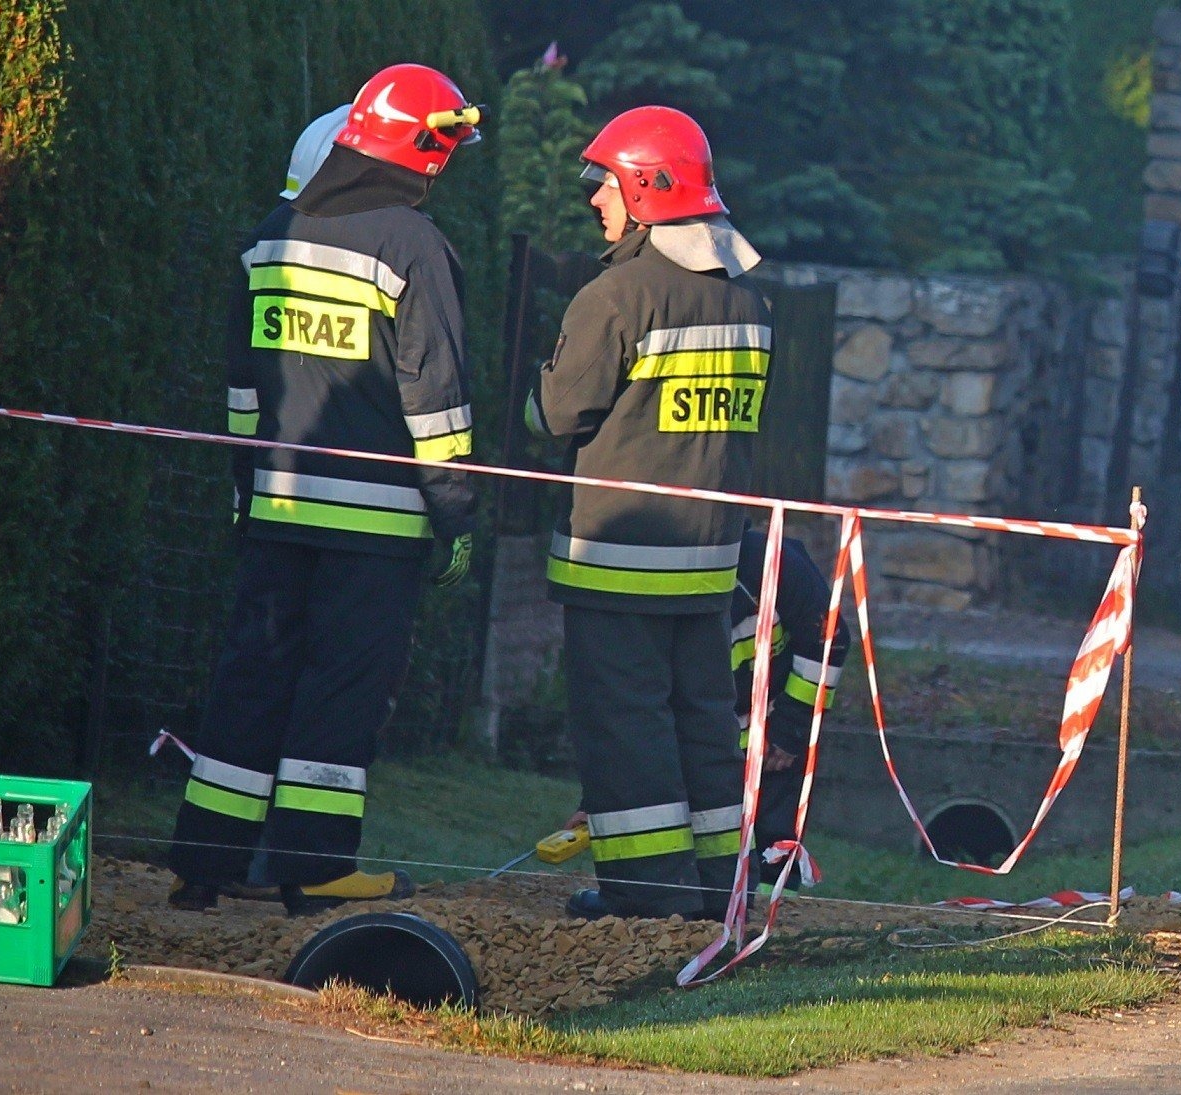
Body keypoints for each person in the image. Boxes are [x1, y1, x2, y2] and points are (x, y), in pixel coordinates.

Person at [169, 64, 482, 917]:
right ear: (413, 145)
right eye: (443, 147)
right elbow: (436, 397)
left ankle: (206, 858)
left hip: (274, 508)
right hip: (377, 526)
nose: (443, 166)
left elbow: (240, 392)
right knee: (342, 686)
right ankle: (314, 866)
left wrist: (246, 489)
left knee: (252, 674)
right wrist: (453, 517)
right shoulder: (411, 243)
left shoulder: (270, 233)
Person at [527, 105, 773, 920]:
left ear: (642, 188)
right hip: (706, 565)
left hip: (618, 560)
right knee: (704, 723)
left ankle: (644, 895)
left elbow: (560, 415)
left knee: (624, 728)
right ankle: (716, 890)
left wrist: (532, 397)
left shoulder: (617, 295)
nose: (594, 198)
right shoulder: (748, 304)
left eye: (604, 182)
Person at [564, 525, 850, 888]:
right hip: (706, 733)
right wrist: (603, 796)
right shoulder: (651, 604)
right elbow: (638, 712)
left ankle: (771, 921)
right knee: (702, 840)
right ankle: (695, 911)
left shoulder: (775, 564)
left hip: (776, 726)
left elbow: (829, 643)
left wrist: (792, 729)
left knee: (773, 843)